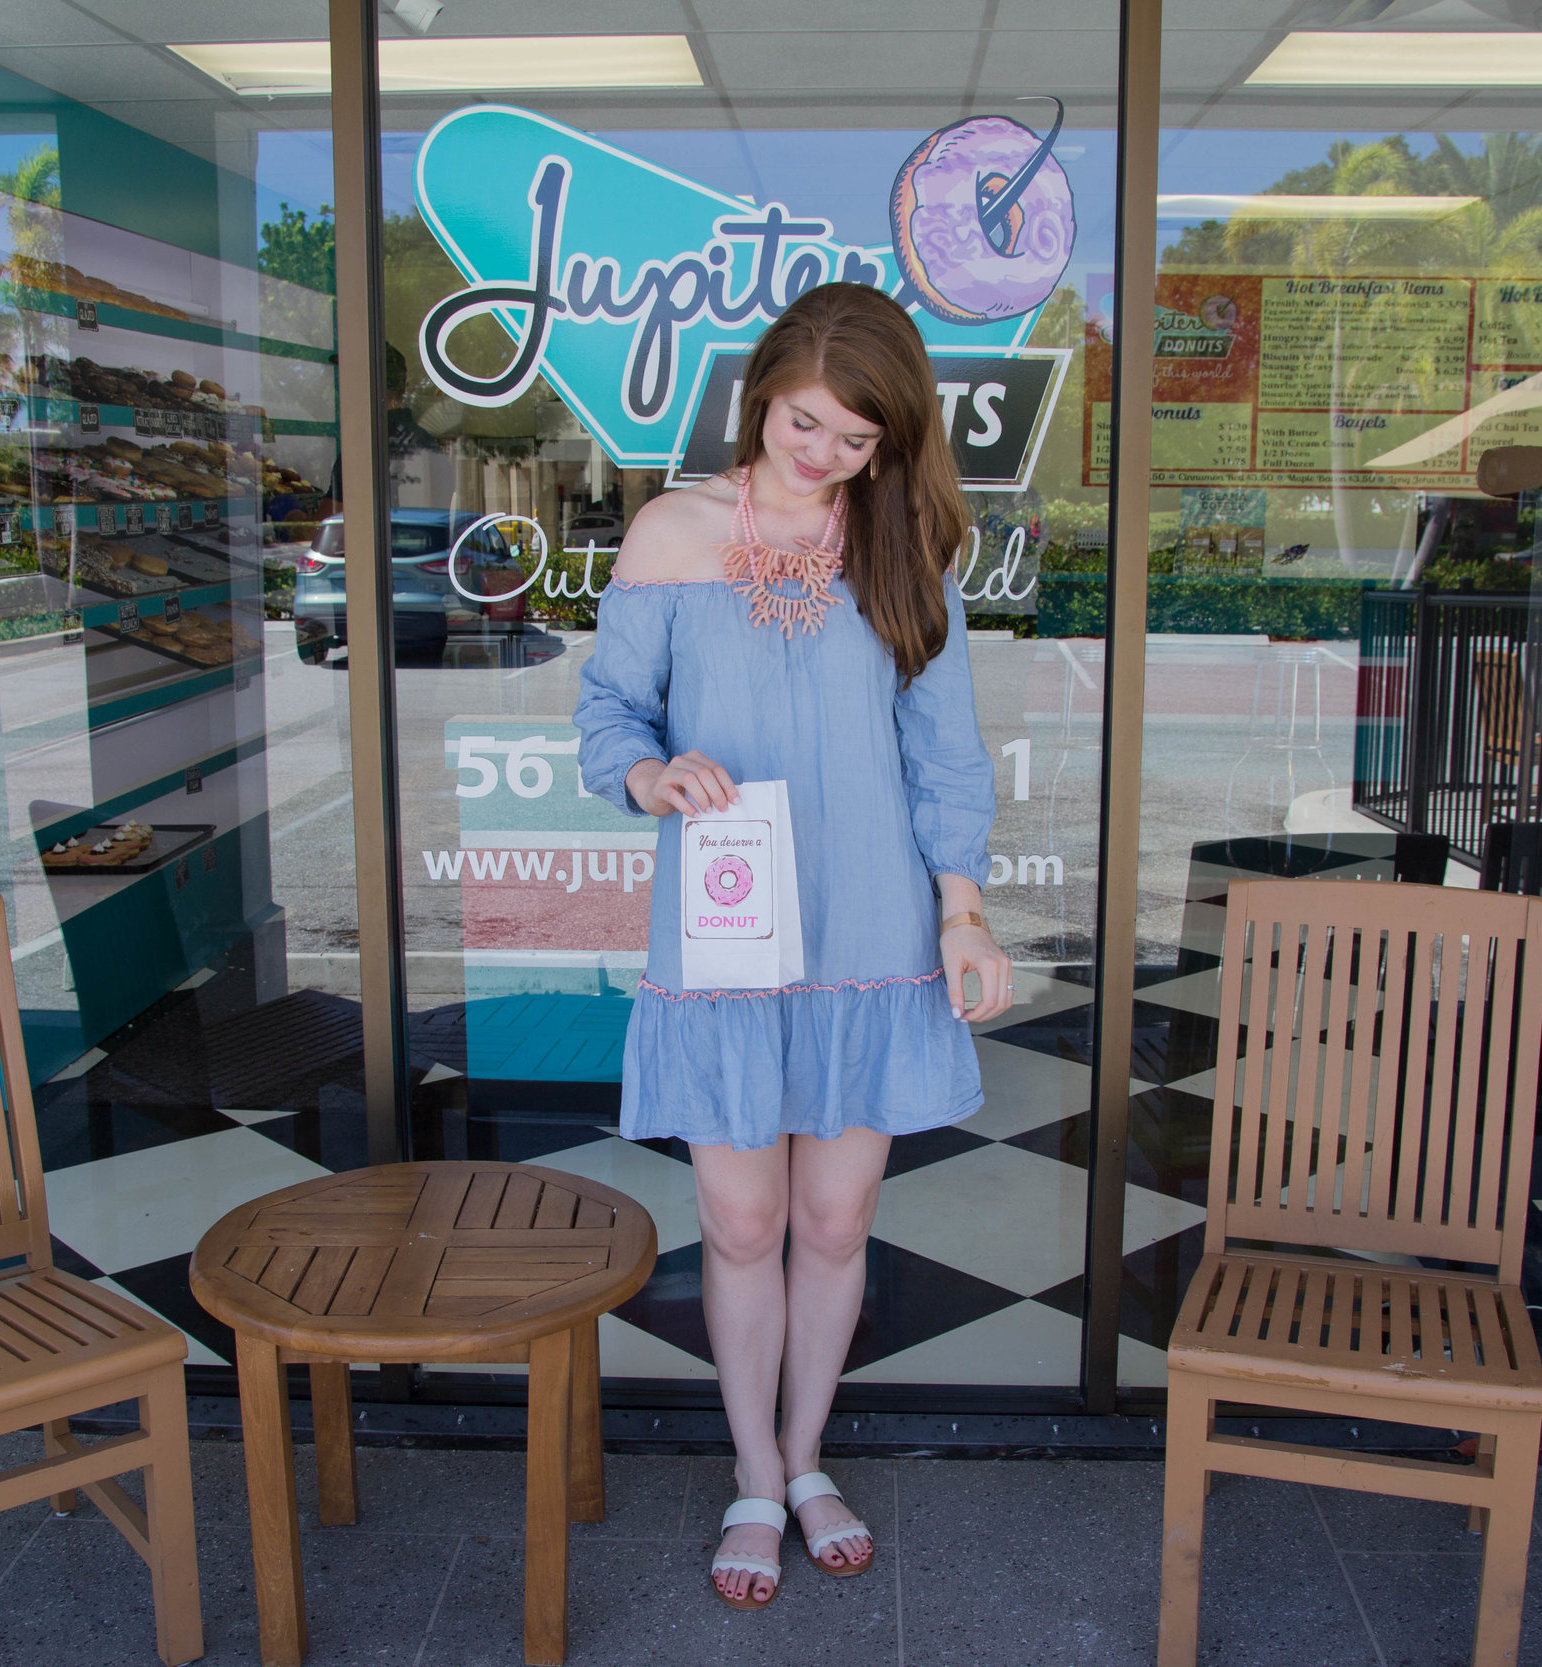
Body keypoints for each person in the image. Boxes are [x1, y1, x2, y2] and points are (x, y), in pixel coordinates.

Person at [574, 282, 1012, 1610]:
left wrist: (964, 906)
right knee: (742, 1219)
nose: (824, 455)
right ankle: (755, 1476)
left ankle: (810, 1456)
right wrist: (648, 778)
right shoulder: (669, 533)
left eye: (856, 440)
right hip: (725, 943)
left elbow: (943, 752)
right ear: (764, 390)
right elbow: (607, 716)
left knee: (835, 1222)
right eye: (808, 424)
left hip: (875, 938)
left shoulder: (901, 544)